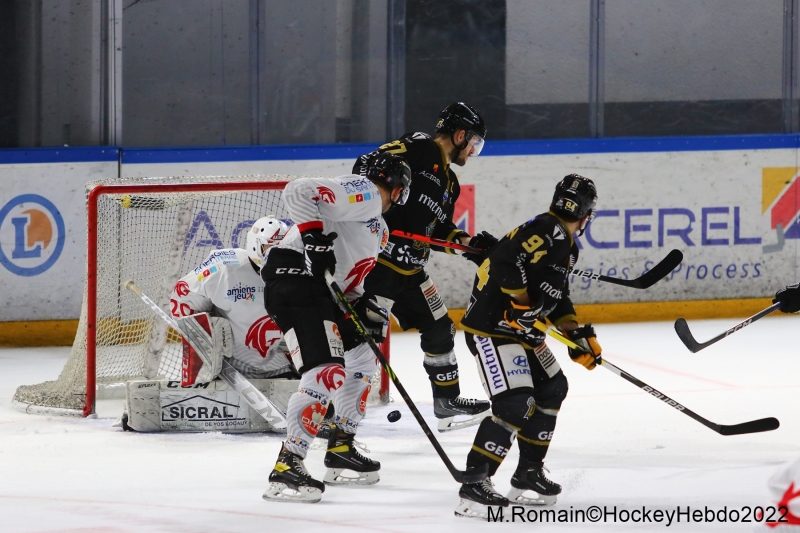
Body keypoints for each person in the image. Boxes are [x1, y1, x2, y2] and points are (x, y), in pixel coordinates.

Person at [261, 153, 411, 503]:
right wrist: (313, 240)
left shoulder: (380, 226)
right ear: (396, 187)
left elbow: (346, 277)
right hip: (296, 279)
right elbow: (298, 191)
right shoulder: (366, 192)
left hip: (323, 292)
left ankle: (341, 446)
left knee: (362, 357)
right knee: (326, 371)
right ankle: (288, 465)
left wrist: (361, 304)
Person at [454, 175, 602, 519]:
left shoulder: (565, 245)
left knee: (552, 387)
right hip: (492, 329)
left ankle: (528, 473)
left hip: (523, 334)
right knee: (515, 403)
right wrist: (521, 303)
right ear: (586, 212)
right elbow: (507, 261)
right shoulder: (547, 230)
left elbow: (557, 295)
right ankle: (475, 482)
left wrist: (574, 332)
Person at [352, 102, 496, 431]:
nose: (474, 151)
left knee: (440, 328)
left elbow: (436, 231)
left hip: (411, 272)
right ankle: (334, 414)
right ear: (460, 135)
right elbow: (366, 166)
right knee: (363, 343)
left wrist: (470, 245)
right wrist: (372, 218)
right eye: (474, 143)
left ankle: (446, 404)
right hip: (378, 268)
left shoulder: (450, 184)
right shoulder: (419, 147)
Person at [170, 215, 294, 380]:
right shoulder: (225, 266)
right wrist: (203, 332)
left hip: (275, 364)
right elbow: (182, 292)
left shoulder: (296, 273)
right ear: (255, 246)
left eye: (283, 249)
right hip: (227, 365)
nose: (278, 256)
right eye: (270, 248)